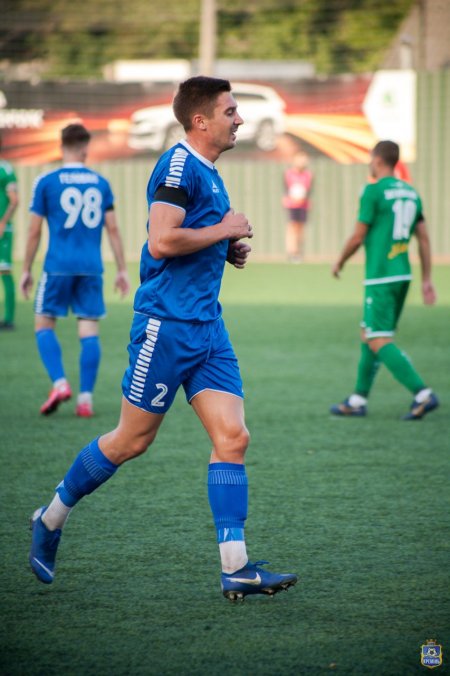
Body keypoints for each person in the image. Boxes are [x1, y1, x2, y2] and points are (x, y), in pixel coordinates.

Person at [28, 77, 297, 601]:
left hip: (207, 328)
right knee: (132, 441)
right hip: (165, 327)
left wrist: (224, 249)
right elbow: (161, 239)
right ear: (200, 121)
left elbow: (190, 237)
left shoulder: (210, 171)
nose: (239, 119)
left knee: (233, 438)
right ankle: (51, 517)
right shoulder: (177, 166)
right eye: (230, 111)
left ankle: (236, 567)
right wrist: (223, 232)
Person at [20, 124, 130, 417]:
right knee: (89, 331)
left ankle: (59, 383)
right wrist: (122, 269)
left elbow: (33, 231)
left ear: (61, 147)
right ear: (85, 148)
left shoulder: (46, 182)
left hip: (57, 267)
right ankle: (85, 400)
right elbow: (113, 228)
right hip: (91, 268)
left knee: (44, 325)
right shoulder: (101, 183)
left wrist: (26, 269)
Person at [330, 140, 439, 420]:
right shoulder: (411, 192)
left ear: (378, 160)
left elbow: (358, 236)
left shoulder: (373, 191)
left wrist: (340, 260)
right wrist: (427, 279)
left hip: (380, 277)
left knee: (378, 338)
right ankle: (358, 399)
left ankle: (422, 394)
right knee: (369, 333)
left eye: (370, 159)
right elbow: (424, 239)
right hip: (403, 275)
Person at [0, 135, 19, 330]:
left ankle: (8, 318)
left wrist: (3, 222)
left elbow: (14, 200)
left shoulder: (5, 169)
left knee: (4, 271)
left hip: (2, 231)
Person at [282, 150, 313, 263]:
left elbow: (309, 190)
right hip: (292, 204)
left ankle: (298, 252)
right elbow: (286, 189)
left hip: (303, 204)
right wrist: (290, 199)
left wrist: (304, 200)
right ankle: (292, 252)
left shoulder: (308, 175)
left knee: (300, 228)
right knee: (292, 227)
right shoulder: (288, 174)